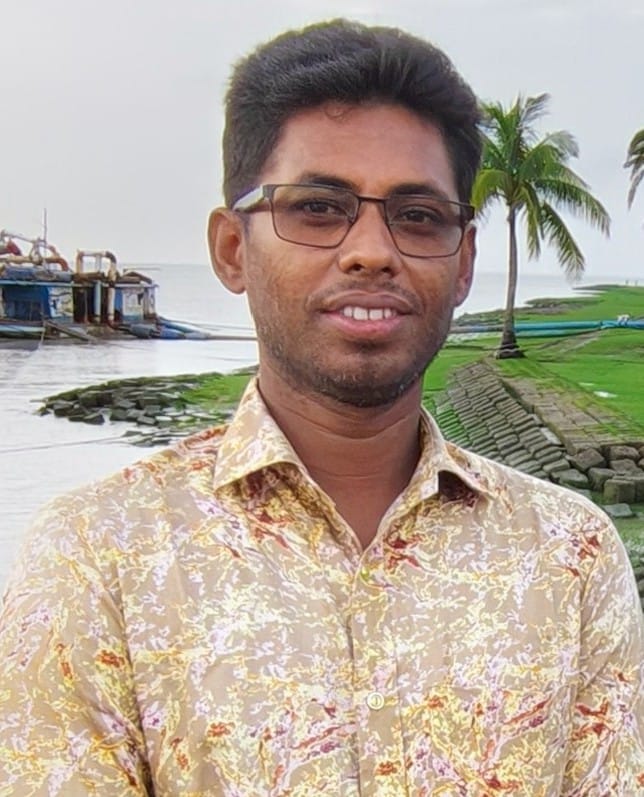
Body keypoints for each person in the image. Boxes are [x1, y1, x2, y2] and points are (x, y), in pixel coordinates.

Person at [1, 19, 643, 796]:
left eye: (417, 216)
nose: (371, 250)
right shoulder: (95, 558)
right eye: (317, 207)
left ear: (464, 262)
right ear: (232, 249)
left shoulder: (570, 558)